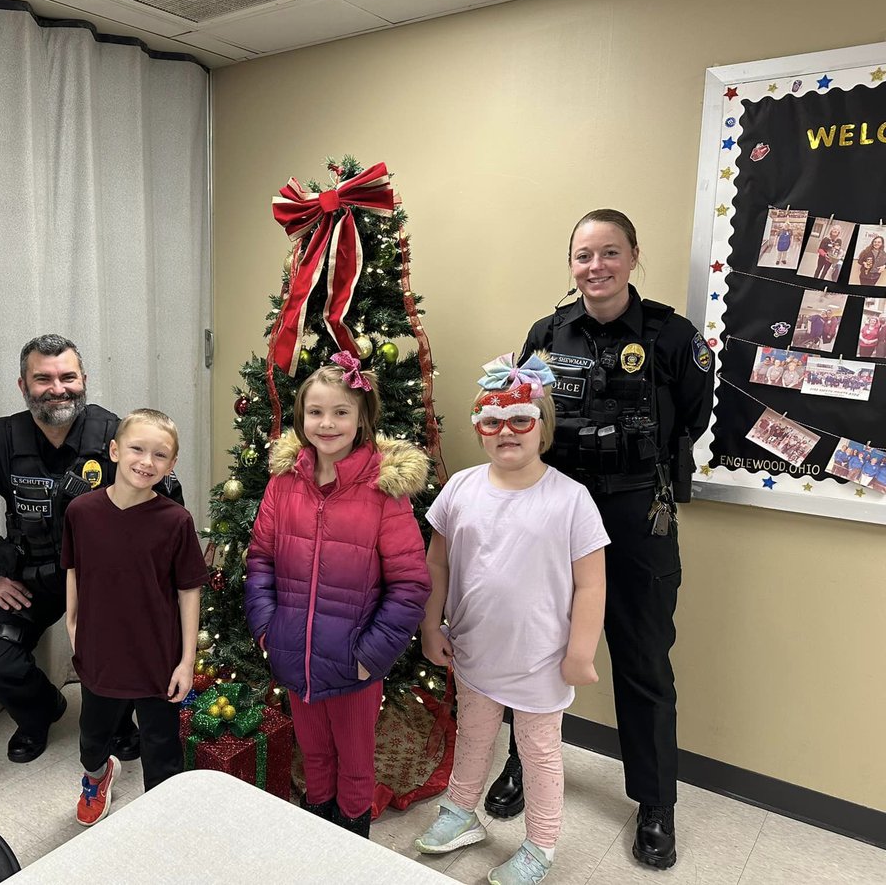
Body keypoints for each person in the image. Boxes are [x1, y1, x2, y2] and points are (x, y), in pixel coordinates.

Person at [483, 210, 714, 870]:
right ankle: (524, 767)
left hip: (637, 516)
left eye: (609, 253)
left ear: (634, 256)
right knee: (536, 651)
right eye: (583, 256)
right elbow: (524, 413)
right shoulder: (547, 334)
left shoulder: (673, 336)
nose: (595, 267)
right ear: (571, 264)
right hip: (555, 515)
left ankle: (655, 803)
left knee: (643, 664)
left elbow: (692, 418)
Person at [413, 354, 608, 885]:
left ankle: (541, 846)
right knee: (473, 734)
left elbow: (593, 584)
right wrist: (432, 624)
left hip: (542, 660)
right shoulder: (461, 489)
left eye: (520, 419)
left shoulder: (571, 500)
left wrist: (580, 652)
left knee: (539, 752)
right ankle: (460, 811)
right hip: (476, 649)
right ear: (479, 429)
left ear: (542, 426)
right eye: (491, 421)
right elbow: (437, 561)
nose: (506, 432)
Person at [0, 334, 182, 763]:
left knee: (134, 640)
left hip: (103, 582)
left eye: (68, 377)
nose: (58, 388)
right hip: (28, 578)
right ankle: (40, 712)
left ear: (84, 380)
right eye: (43, 379)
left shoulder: (119, 435)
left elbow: (168, 509)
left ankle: (116, 721)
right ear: (23, 386)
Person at [244, 352, 432, 838]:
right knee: (315, 754)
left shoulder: (384, 493)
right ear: (301, 417)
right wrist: (268, 632)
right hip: (295, 656)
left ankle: (351, 838)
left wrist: (371, 655)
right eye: (315, 412)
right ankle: (318, 834)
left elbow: (410, 585)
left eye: (341, 412)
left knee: (354, 762)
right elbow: (260, 560)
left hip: (354, 665)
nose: (327, 424)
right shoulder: (284, 484)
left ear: (362, 419)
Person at [64, 409, 207, 825]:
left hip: (157, 657)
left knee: (161, 745)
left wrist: (186, 661)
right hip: (99, 652)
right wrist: (73, 628)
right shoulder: (81, 512)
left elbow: (188, 591)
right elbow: (73, 572)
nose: (147, 462)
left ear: (172, 464)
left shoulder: (176, 521)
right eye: (137, 449)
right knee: (92, 739)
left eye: (160, 455)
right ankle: (98, 775)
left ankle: (160, 815)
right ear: (114, 451)